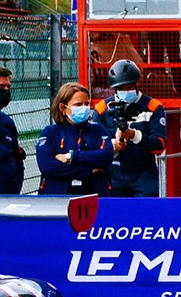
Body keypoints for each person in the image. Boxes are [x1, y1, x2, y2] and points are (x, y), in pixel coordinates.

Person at [36, 82, 113, 196]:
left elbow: (106, 156)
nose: (84, 108)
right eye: (78, 104)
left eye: (86, 104)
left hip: (95, 194)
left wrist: (72, 157)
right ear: (63, 107)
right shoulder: (50, 133)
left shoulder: (98, 130)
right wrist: (88, 170)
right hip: (58, 196)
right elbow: (47, 166)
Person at [105, 60, 166, 197]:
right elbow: (95, 144)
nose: (126, 92)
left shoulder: (153, 107)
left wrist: (134, 135)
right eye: (121, 88)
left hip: (144, 176)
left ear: (136, 84)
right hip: (114, 176)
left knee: (145, 209)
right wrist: (113, 145)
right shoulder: (103, 108)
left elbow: (160, 145)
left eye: (129, 87)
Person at [0, 64, 26, 194]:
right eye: (1, 87)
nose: (6, 91)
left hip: (9, 195)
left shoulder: (6, 121)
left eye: (8, 87)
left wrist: (16, 184)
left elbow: (17, 157)